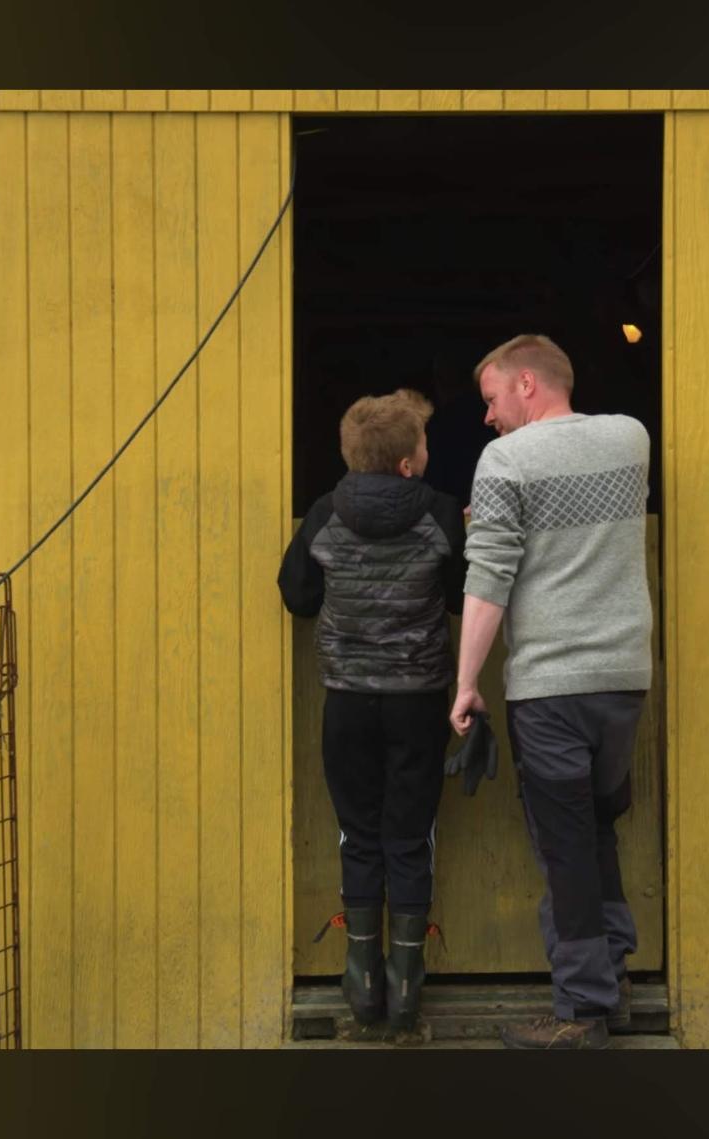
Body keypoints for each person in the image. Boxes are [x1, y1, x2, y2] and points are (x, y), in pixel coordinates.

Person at [450, 334, 653, 1050]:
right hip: (623, 679)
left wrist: (466, 682)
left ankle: (580, 1012)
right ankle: (612, 981)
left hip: (550, 688)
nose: (488, 418)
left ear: (527, 384)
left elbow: (489, 579)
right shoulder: (632, 439)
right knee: (595, 830)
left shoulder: (506, 461)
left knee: (565, 847)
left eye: (491, 399)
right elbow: (579, 527)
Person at [278, 389, 466, 1033]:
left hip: (348, 702)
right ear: (409, 462)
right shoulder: (440, 512)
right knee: (410, 835)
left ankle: (361, 978)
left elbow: (298, 596)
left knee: (358, 833)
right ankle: (406, 982)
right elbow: (461, 596)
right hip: (418, 702)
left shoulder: (325, 512)